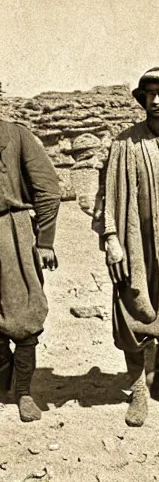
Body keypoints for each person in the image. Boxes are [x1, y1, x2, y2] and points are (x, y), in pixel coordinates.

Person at [97, 67, 159, 427]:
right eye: (150, 94)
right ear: (142, 100)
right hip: (132, 243)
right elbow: (107, 196)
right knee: (132, 309)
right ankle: (138, 389)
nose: (156, 100)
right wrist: (111, 239)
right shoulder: (124, 144)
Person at [0, 120, 61, 422]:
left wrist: (44, 241)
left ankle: (23, 391)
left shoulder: (16, 135)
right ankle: (3, 384)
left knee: (25, 314)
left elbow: (48, 188)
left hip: (13, 230)